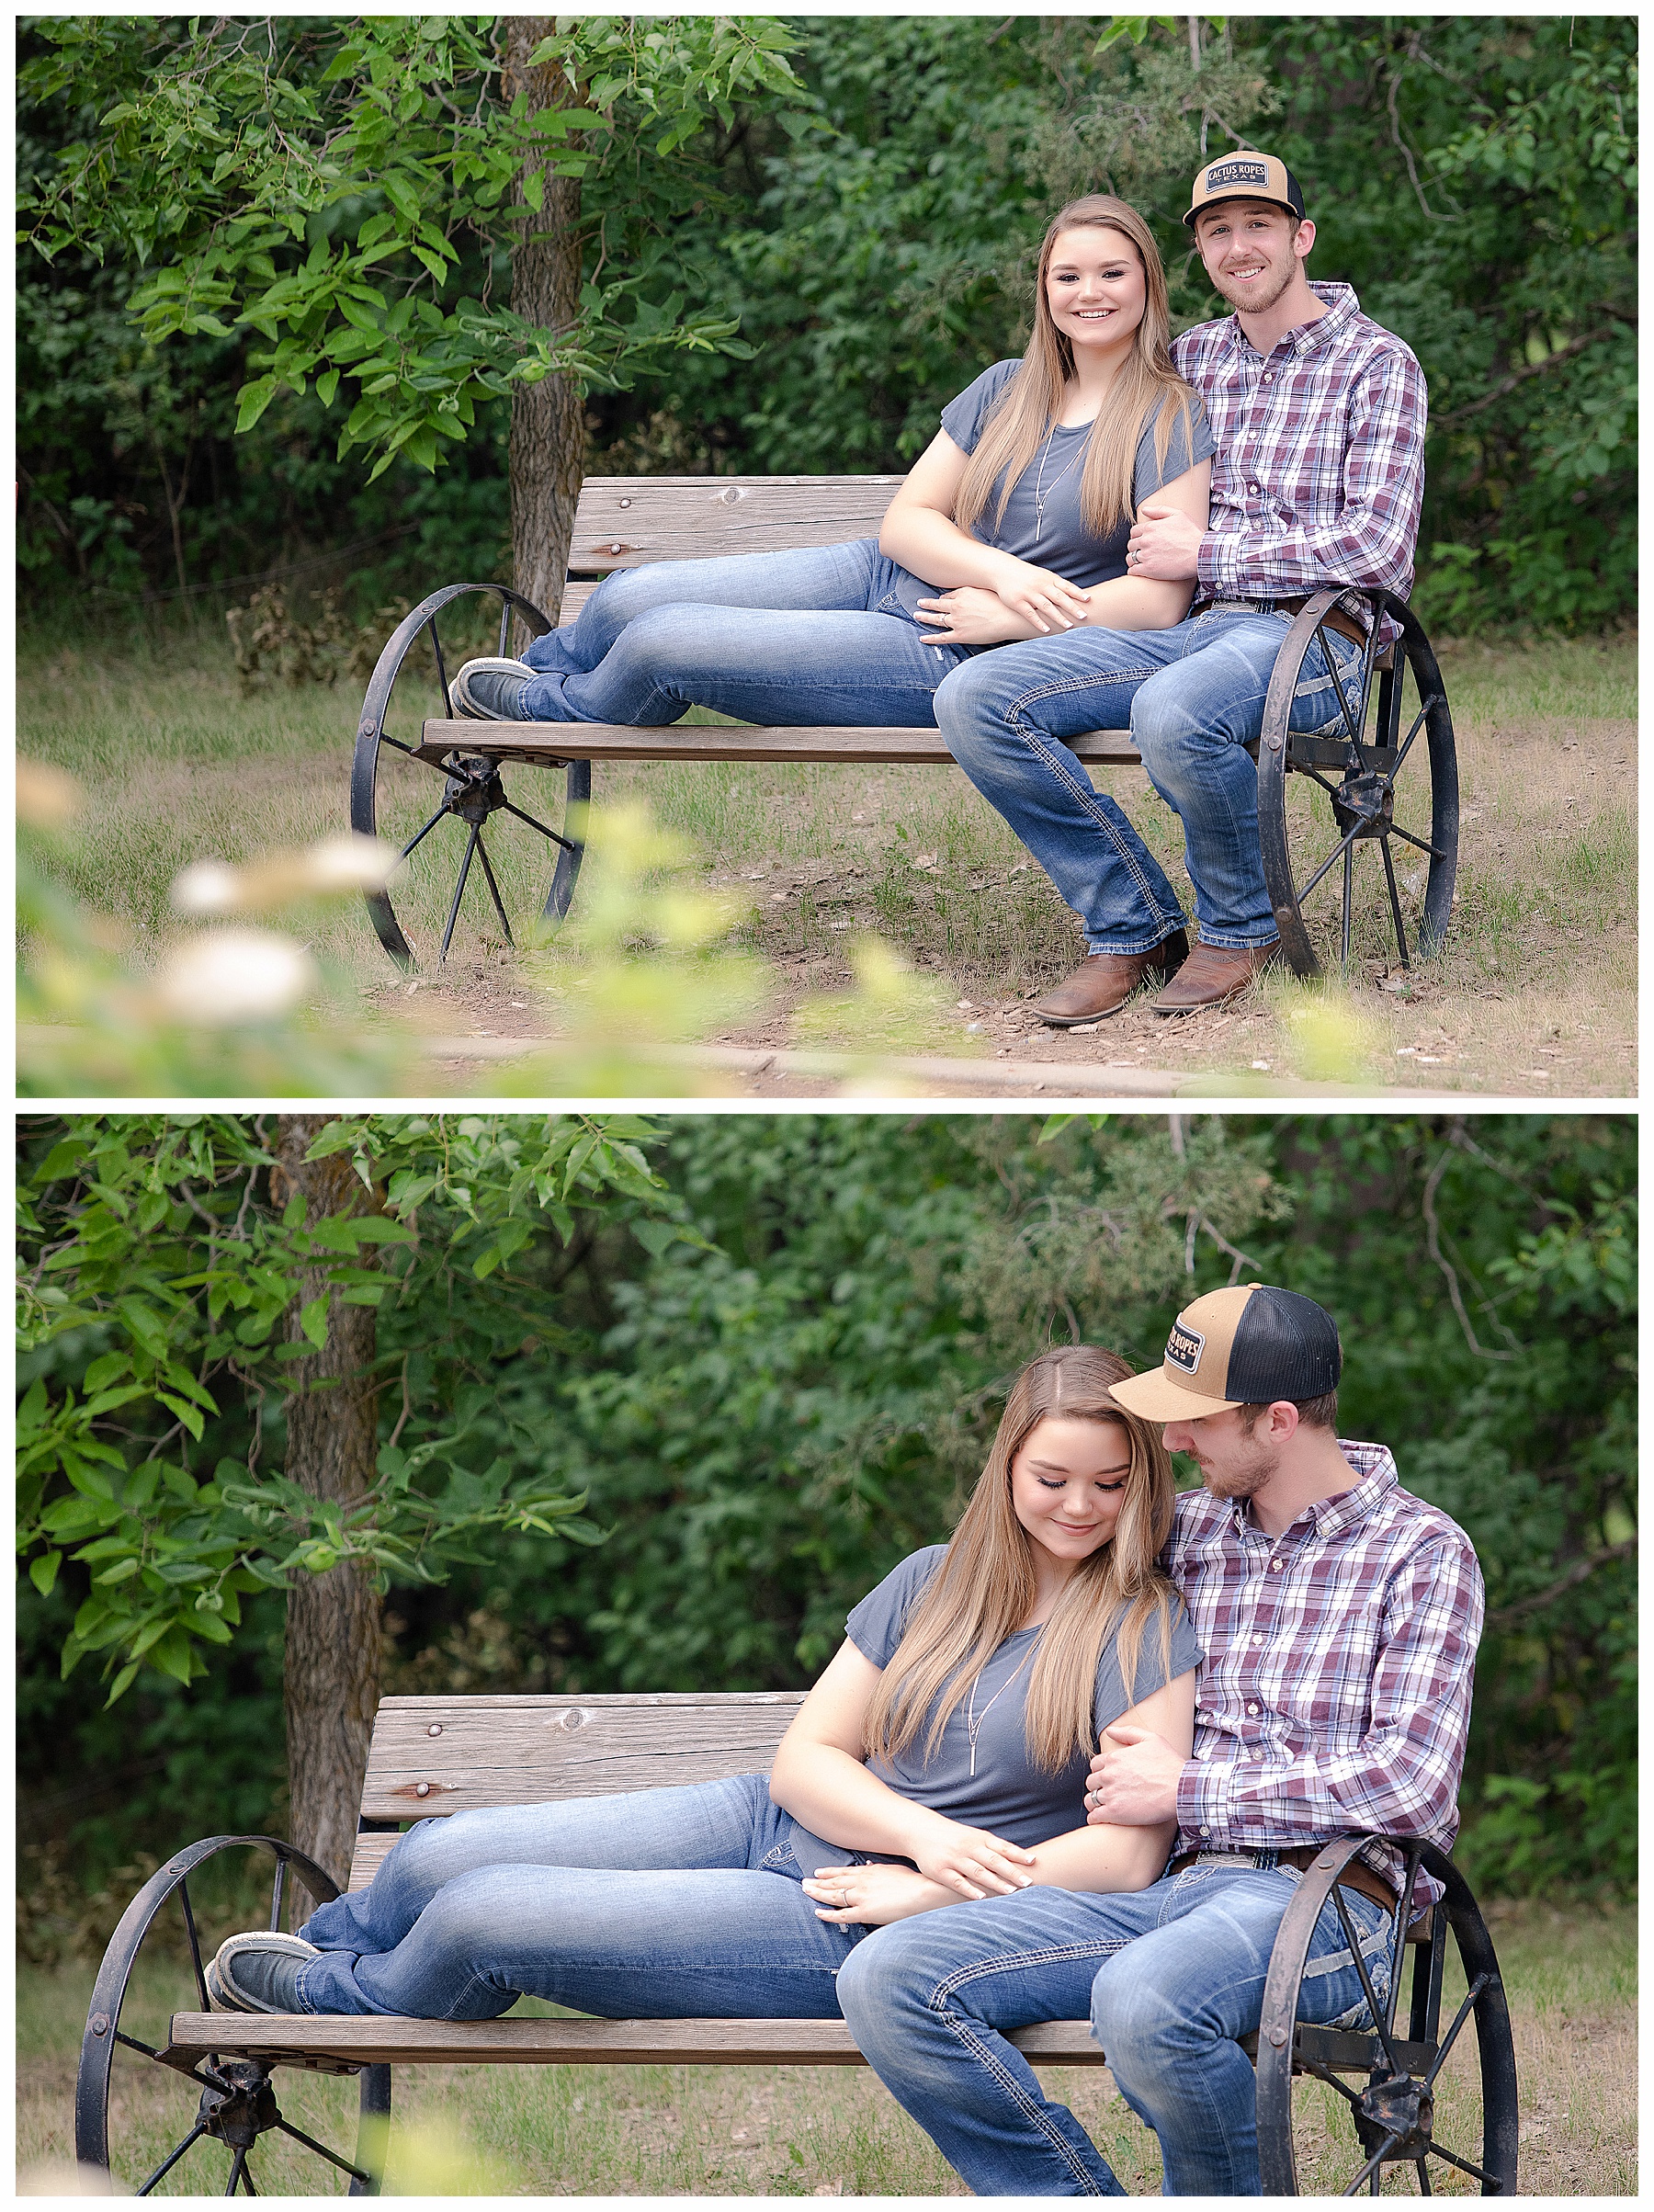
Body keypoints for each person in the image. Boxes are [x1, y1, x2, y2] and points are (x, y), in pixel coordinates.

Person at [202, 1344, 1201, 2025]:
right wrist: (922, 1830)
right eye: (1052, 1478)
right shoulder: (933, 1576)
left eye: (1110, 1484)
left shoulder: (1140, 1627)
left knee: (482, 1914)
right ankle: (321, 1956)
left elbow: (1124, 1855)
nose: (1079, 1506)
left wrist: (929, 1885)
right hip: (770, 1824)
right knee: (432, 1855)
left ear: (1141, 1484)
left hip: (852, 1915)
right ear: (1007, 1469)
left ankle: (345, 2008)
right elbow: (805, 1760)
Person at [834, 1284, 1485, 2196]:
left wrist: (1190, 1790)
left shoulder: (1421, 1553)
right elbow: (1035, 1563)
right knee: (890, 1975)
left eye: (1196, 1423)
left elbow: (1409, 1781)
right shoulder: (1182, 1532)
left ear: (1279, 1421)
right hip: (1160, 1890)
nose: (1170, 1445)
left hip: (1327, 1905)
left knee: (1146, 2000)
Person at [446, 194, 1212, 790]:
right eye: (1067, 275)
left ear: (1147, 280)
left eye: (1112, 273)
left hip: (955, 643)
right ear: (1044, 289)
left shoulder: (1167, 415)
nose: (1090, 293)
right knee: (624, 597)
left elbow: (1157, 603)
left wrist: (1009, 614)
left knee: (662, 639)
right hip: (890, 576)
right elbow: (906, 523)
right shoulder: (1008, 388)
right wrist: (1005, 572)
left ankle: (555, 719)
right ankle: (539, 675)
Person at [932, 154, 1429, 1024]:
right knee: (976, 694)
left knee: (1174, 709)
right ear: (1200, 252)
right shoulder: (1188, 359)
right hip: (1178, 627)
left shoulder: (1376, 365)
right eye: (1217, 232)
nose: (1240, 248)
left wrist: (1211, 552)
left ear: (1301, 236)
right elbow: (1076, 412)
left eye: (1259, 226)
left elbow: (1376, 548)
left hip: (1316, 641)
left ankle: (1240, 927)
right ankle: (1132, 929)